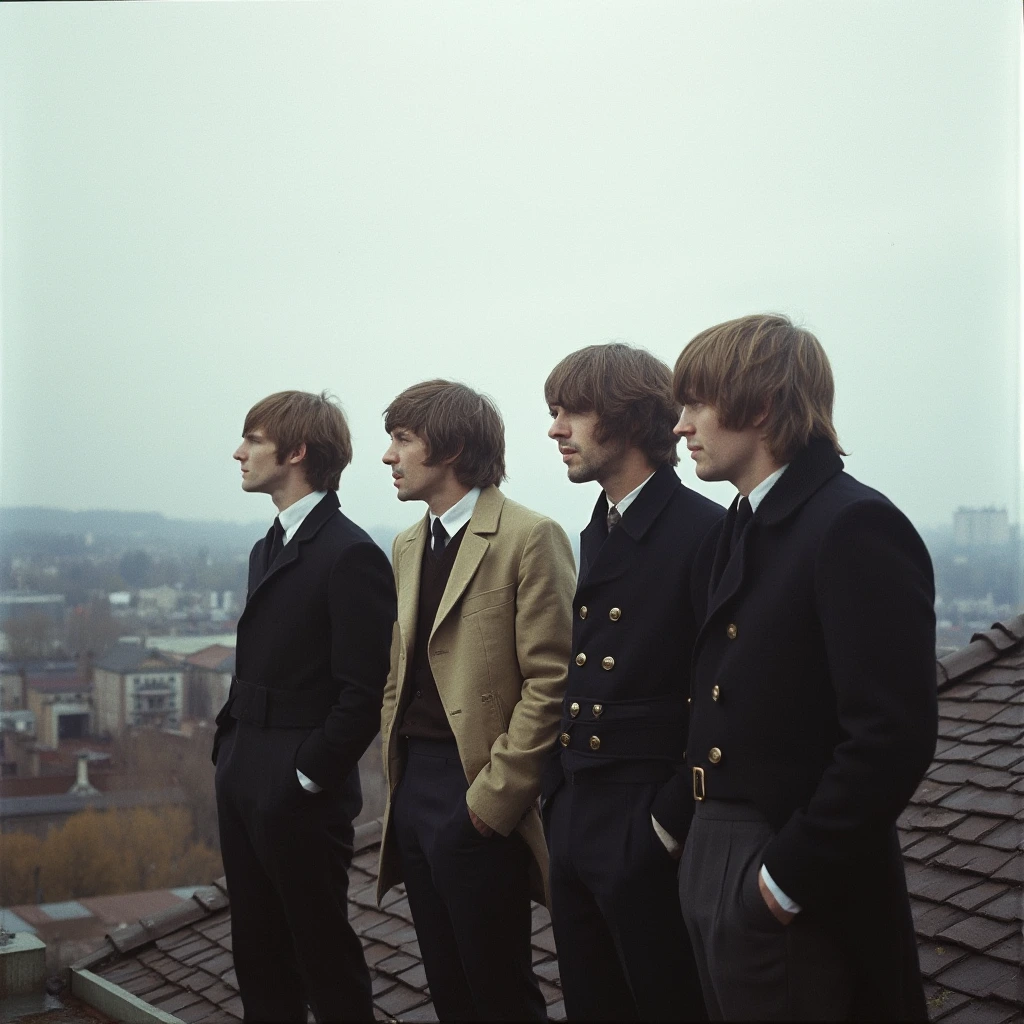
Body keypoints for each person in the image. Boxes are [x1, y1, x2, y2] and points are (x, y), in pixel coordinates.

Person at [673, 314, 937, 1021]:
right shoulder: (742, 523)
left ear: (758, 407)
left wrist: (782, 882)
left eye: (697, 402)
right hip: (714, 843)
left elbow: (891, 737)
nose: (681, 425)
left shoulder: (852, 524)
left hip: (785, 860)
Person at [376, 379, 575, 1023]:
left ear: (453, 447)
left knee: (501, 994)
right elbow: (398, 673)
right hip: (413, 793)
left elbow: (553, 682)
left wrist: (493, 803)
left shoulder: (530, 536)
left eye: (403, 440)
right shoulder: (408, 544)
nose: (388, 457)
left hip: (477, 792)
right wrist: (398, 790)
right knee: (450, 991)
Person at [542, 343, 722, 1022]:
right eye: (553, 412)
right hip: (579, 808)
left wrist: (667, 823)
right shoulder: (599, 527)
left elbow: (720, 694)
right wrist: (555, 796)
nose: (557, 429)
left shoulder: (704, 531)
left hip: (646, 815)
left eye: (572, 412)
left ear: (629, 416)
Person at [212, 390, 396, 1023]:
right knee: (256, 951)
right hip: (244, 771)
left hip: (296, 786)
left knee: (321, 954)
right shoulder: (270, 544)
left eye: (253, 439)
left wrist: (306, 773)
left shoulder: (350, 554)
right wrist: (231, 754)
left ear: (296, 451)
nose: (239, 452)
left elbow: (363, 692)